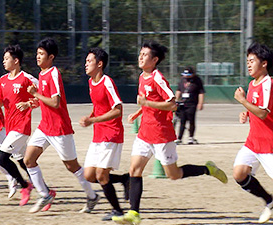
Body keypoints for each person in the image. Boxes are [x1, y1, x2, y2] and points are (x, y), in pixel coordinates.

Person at [112, 40, 228, 224]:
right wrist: (139, 112)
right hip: (144, 133)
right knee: (134, 169)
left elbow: (172, 104)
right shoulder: (142, 76)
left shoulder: (158, 78)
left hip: (161, 134)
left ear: (155, 59)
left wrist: (146, 104)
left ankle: (208, 169)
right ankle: (134, 213)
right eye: (140, 54)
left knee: (173, 175)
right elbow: (148, 101)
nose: (140, 57)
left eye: (145, 55)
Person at [25, 37, 98, 213]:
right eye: (37, 53)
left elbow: (56, 102)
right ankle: (45, 194)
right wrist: (34, 101)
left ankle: (92, 196)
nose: (38, 57)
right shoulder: (42, 74)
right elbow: (46, 100)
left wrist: (36, 93)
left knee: (72, 166)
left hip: (59, 128)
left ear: (51, 57)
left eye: (42, 54)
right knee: (28, 159)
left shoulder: (53, 73)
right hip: (45, 126)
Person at [79, 47, 130, 221]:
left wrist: (93, 120)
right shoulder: (91, 83)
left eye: (89, 61)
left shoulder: (107, 82)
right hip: (98, 135)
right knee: (89, 176)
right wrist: (90, 118)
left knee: (101, 175)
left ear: (99, 64)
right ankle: (124, 179)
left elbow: (117, 110)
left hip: (112, 134)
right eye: (85, 61)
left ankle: (118, 211)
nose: (85, 64)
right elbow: (99, 107)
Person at [0, 44, 37, 204]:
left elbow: (41, 97)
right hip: (9, 127)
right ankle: (44, 188)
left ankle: (24, 186)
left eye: (7, 58)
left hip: (22, 126)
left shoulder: (27, 78)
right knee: (24, 161)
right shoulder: (3, 80)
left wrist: (28, 104)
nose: (4, 62)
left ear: (16, 61)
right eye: (3, 59)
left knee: (2, 158)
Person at [233, 42, 273, 223]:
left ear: (264, 63)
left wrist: (243, 101)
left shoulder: (267, 83)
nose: (248, 64)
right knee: (239, 174)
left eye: (252, 61)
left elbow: (263, 113)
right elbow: (255, 109)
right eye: (247, 61)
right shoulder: (252, 84)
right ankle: (269, 201)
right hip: (253, 142)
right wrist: (246, 113)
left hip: (269, 144)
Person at [175, 66, 205, 144]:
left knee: (191, 121)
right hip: (182, 103)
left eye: (188, 74)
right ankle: (179, 138)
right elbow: (178, 90)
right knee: (182, 121)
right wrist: (176, 100)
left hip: (192, 103)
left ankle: (191, 137)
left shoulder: (197, 80)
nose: (186, 76)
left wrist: (200, 103)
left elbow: (201, 92)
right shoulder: (182, 80)